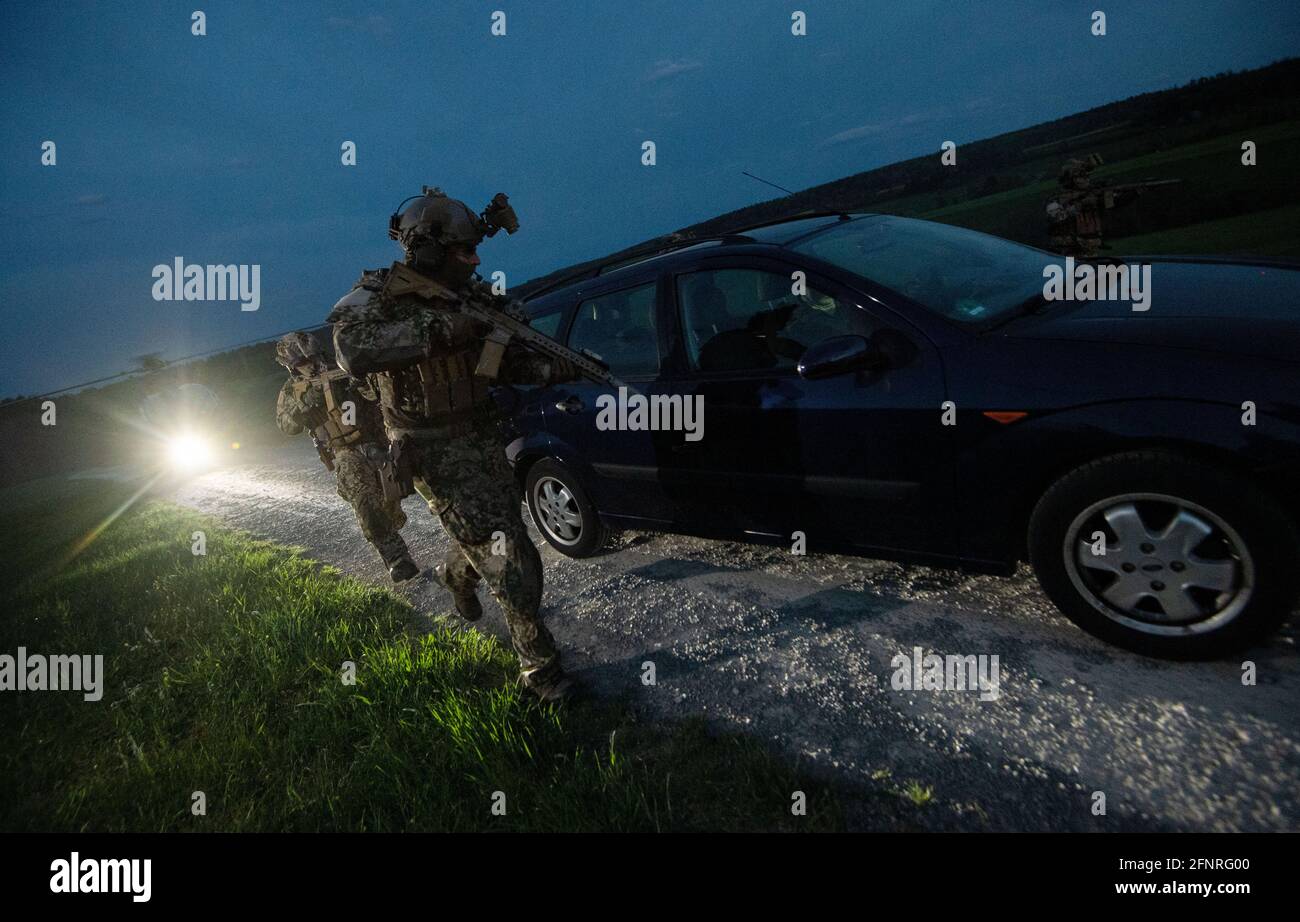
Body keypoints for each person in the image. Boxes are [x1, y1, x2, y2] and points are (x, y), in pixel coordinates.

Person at [327, 187, 582, 703]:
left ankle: (455, 575)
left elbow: (499, 362)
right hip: (429, 449)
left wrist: (550, 367)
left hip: (482, 434)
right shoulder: (375, 298)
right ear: (426, 249)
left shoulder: (470, 296)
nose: (476, 260)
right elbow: (351, 351)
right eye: (465, 252)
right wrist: (447, 328)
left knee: (497, 528)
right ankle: (540, 671)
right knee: (511, 556)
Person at [274, 331, 421, 582]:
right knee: (365, 502)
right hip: (344, 451)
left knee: (393, 500)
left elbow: (380, 393)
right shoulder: (292, 390)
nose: (310, 365)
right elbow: (286, 425)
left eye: (313, 358)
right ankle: (397, 558)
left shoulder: (343, 367)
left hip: (378, 441)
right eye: (301, 363)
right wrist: (306, 403)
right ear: (291, 367)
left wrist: (361, 384)